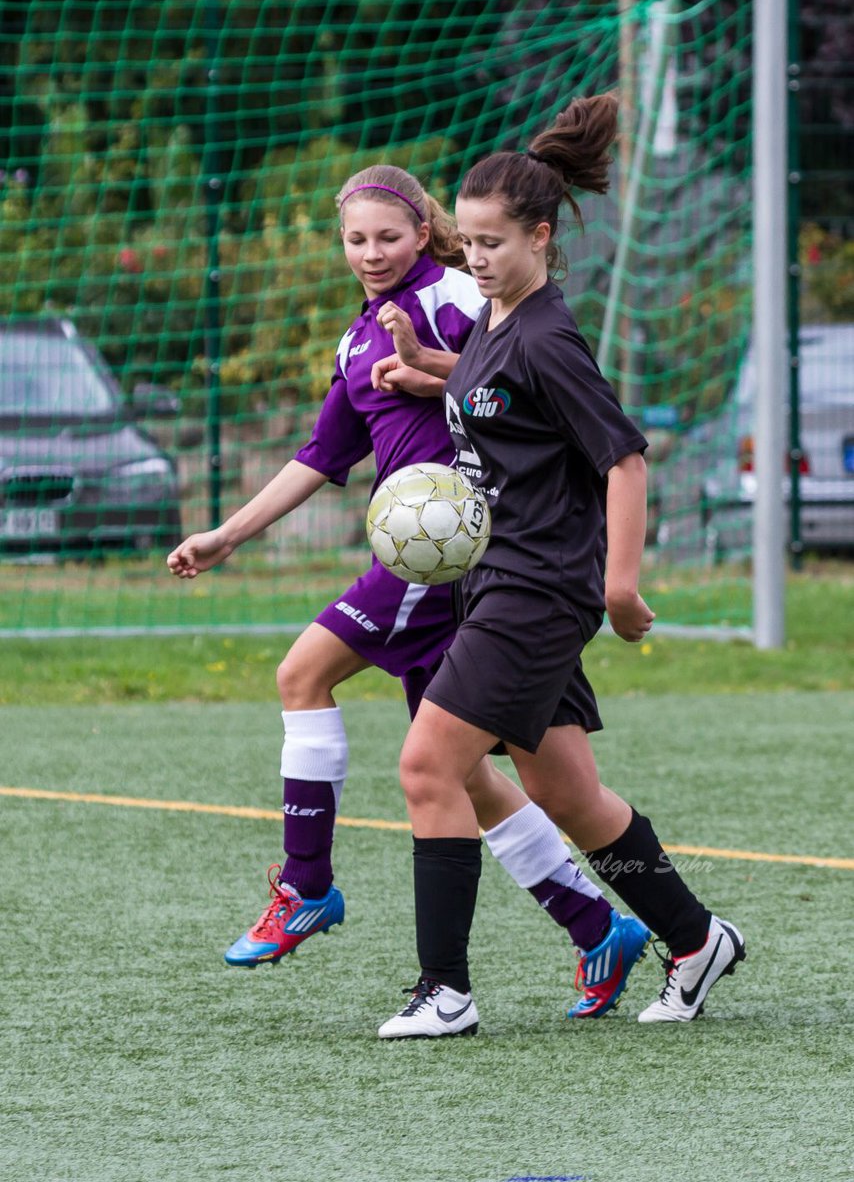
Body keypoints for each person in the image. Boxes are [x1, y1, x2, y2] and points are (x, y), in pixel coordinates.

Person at [167, 163, 650, 1019]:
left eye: (389, 236)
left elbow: (521, 378)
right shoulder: (359, 338)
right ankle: (595, 926)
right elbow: (322, 455)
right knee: (471, 779)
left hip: (450, 554)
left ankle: (309, 886)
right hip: (438, 562)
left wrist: (434, 374)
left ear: (426, 232)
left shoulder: (458, 296)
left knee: (302, 676)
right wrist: (226, 535)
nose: (371, 253)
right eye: (355, 239)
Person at [373, 95, 746, 1040]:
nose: (475, 257)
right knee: (565, 793)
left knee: (428, 767)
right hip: (500, 582)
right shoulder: (501, 325)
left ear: (541, 237)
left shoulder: (549, 335)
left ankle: (445, 991)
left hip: (539, 591)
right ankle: (698, 942)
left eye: (495, 242)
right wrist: (429, 365)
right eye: (467, 242)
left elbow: (622, 457)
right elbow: (499, 396)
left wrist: (620, 585)